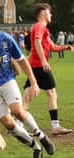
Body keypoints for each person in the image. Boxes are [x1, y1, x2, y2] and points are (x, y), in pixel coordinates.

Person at [0, 6, 55, 158]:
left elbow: (22, 60)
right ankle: (35, 147)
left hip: (7, 81)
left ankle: (41, 136)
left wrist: (33, 82)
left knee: (17, 111)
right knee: (8, 124)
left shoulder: (5, 39)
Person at [23, 3, 74, 135]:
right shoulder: (40, 26)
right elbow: (37, 42)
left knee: (28, 96)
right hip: (39, 65)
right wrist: (44, 61)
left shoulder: (44, 29)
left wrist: (65, 47)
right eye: (49, 13)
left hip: (34, 65)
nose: (51, 15)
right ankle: (55, 126)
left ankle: (17, 126)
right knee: (51, 93)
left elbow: (51, 47)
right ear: (43, 13)